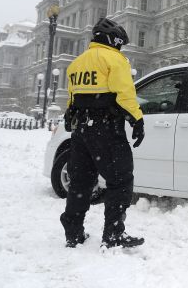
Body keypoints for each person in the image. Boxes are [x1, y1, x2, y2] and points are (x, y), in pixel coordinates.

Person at [60, 18, 146, 249]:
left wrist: (70, 115)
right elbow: (125, 95)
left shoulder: (76, 63)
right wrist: (137, 119)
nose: (121, 48)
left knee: (80, 183)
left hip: (81, 132)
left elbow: (72, 97)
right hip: (107, 130)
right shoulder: (115, 60)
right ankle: (114, 234)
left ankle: (73, 231)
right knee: (121, 180)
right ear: (114, 40)